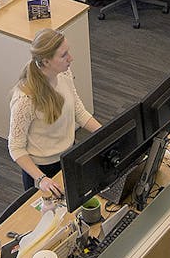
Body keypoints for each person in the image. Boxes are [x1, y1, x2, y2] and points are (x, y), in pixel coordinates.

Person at [7, 29, 102, 196]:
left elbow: (78, 111)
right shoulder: (25, 100)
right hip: (42, 171)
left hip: (68, 158)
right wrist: (41, 179)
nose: (70, 58)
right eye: (64, 55)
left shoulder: (63, 72)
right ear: (46, 62)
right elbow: (16, 148)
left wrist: (106, 133)